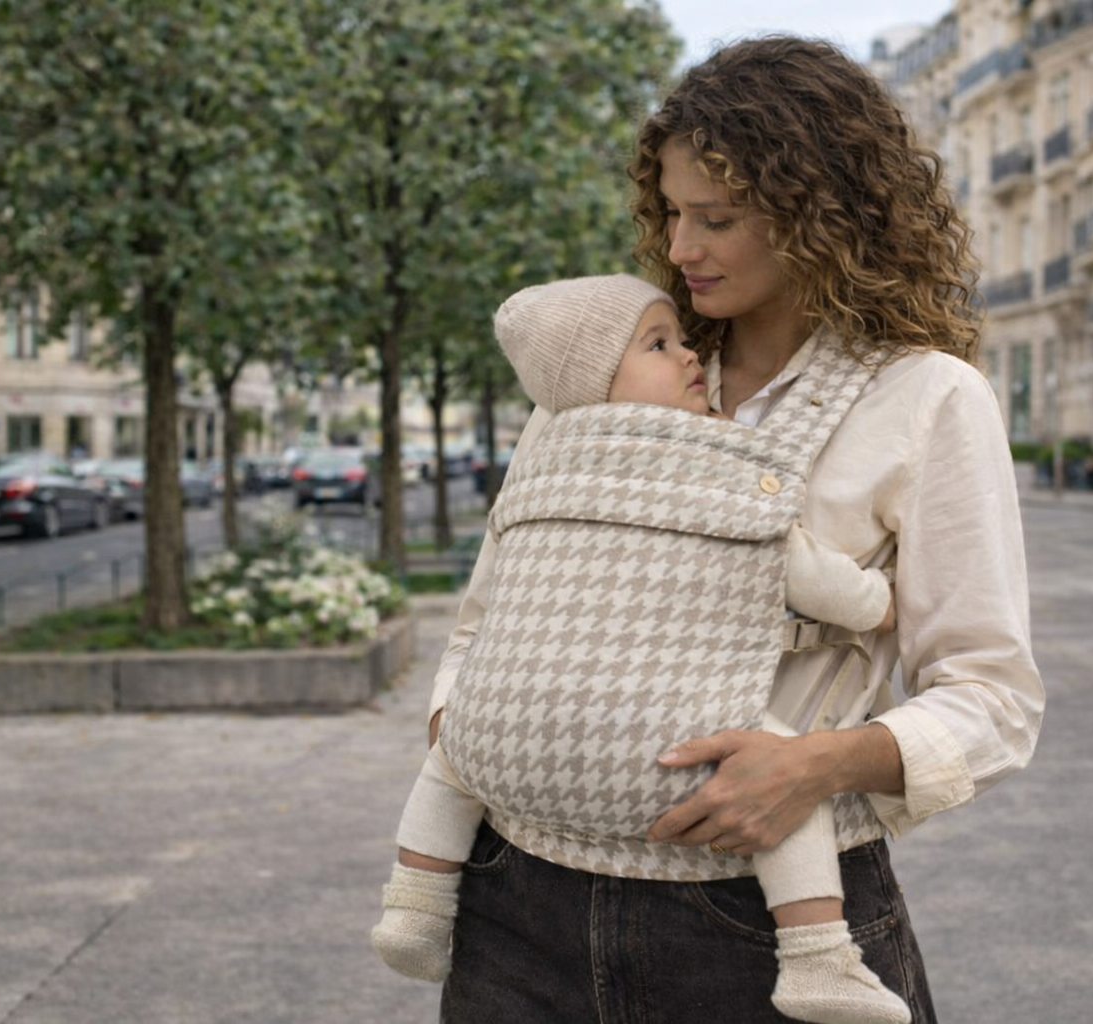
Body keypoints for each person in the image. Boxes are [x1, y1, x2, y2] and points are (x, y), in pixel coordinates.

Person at [409, 37, 1044, 1024]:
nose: (679, 249)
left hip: (765, 919)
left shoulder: (926, 398)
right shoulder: (603, 381)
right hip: (517, 904)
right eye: (670, 213)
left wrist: (813, 765)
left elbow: (993, 698)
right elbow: (485, 619)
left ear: (821, 215)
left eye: (716, 218)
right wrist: (468, 727)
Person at [373, 274, 909, 1024]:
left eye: (679, 338)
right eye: (658, 344)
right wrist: (875, 601)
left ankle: (416, 903)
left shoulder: (542, 469)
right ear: (592, 383)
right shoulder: (717, 467)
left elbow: (484, 612)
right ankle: (817, 954)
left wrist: (462, 719)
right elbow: (796, 564)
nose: (688, 354)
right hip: (675, 738)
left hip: (519, 720)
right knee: (784, 770)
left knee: (454, 762)